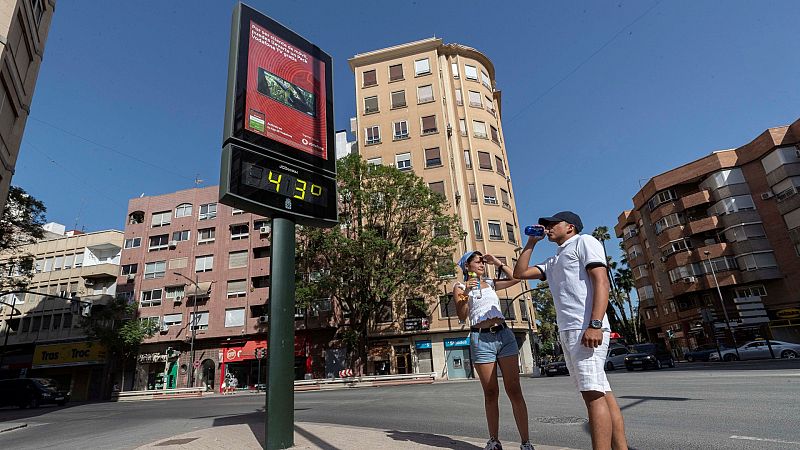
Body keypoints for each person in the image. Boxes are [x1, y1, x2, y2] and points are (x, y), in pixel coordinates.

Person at [513, 211, 628, 450]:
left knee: (592, 395)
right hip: (569, 331)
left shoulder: (584, 242)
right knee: (602, 392)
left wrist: (595, 324)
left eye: (553, 223)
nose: (548, 227)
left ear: (571, 227)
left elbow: (601, 281)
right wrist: (532, 242)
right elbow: (520, 273)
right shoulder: (554, 260)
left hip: (586, 328)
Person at [453, 250, 535, 450]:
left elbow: (515, 278)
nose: (482, 264)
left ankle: (525, 442)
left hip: (504, 336)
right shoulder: (460, 287)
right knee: (491, 392)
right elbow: (462, 315)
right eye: (478, 261)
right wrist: (466, 293)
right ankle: (494, 441)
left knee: (514, 389)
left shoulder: (490, 283)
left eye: (483, 261)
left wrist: (498, 262)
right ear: (467, 266)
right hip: (481, 339)